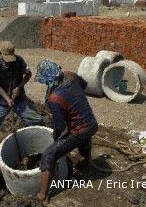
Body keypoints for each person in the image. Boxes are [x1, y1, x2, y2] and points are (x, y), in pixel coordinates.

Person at [34, 59, 98, 203]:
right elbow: (84, 85)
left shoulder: (55, 98)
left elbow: (60, 127)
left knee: (49, 155)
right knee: (85, 138)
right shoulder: (71, 76)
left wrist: (57, 135)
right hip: (91, 123)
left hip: (80, 129)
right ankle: (88, 163)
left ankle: (43, 195)